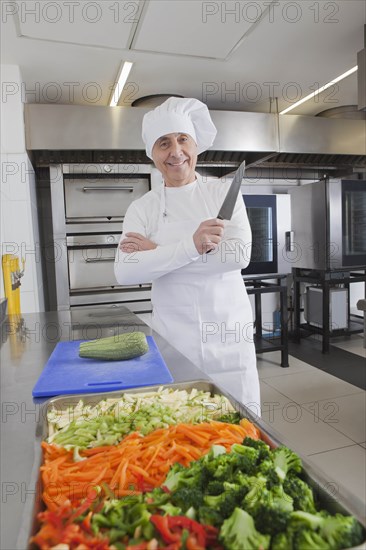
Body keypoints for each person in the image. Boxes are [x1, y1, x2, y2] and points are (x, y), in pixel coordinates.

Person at [114, 97, 260, 413]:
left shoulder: (223, 194)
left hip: (229, 339)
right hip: (175, 342)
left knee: (240, 427)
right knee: (183, 431)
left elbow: (238, 256)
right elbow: (125, 272)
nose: (175, 151)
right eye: (164, 143)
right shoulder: (143, 209)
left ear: (195, 146)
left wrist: (156, 255)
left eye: (183, 139)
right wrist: (192, 247)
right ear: (152, 154)